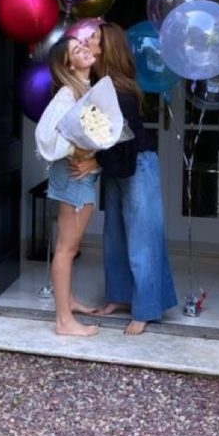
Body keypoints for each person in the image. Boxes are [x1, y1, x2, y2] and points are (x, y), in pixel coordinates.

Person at [70, 22, 178, 335]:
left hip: (137, 164)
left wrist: (94, 162)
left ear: (107, 48)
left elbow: (124, 143)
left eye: (94, 37)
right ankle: (119, 296)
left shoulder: (122, 90)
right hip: (117, 165)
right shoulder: (100, 85)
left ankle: (145, 309)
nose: (87, 40)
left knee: (143, 238)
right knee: (115, 234)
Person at [35, 36, 100, 337]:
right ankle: (63, 321)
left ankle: (69, 301)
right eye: (77, 49)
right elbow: (46, 135)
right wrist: (75, 150)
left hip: (81, 175)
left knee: (71, 247)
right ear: (68, 64)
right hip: (73, 176)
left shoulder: (83, 89)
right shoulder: (67, 94)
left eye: (83, 44)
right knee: (66, 248)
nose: (84, 48)